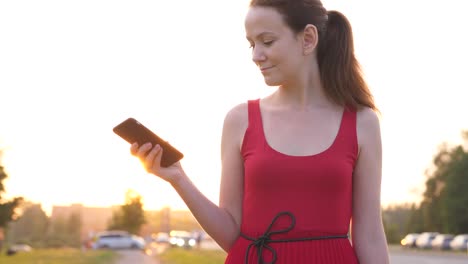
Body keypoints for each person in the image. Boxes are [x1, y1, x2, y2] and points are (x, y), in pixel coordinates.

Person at [130, 0, 390, 263]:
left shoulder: (362, 122)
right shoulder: (240, 120)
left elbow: (369, 236)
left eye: (267, 41)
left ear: (308, 38)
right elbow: (230, 234)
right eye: (251, 44)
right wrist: (178, 178)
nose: (256, 55)